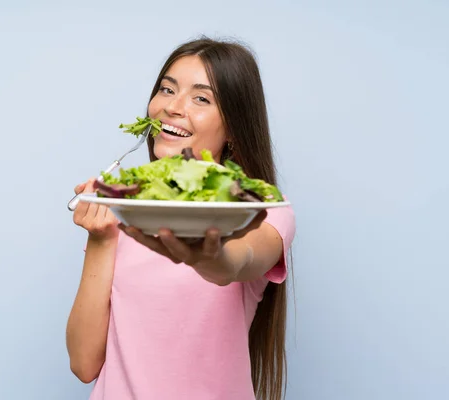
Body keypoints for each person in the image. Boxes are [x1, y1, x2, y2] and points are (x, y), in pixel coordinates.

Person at [66, 37, 296, 400]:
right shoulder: (128, 209)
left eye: (201, 98)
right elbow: (83, 364)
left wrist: (212, 256)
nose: (172, 107)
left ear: (235, 127)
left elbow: (242, 261)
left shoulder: (260, 207)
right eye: (167, 89)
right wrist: (102, 237)